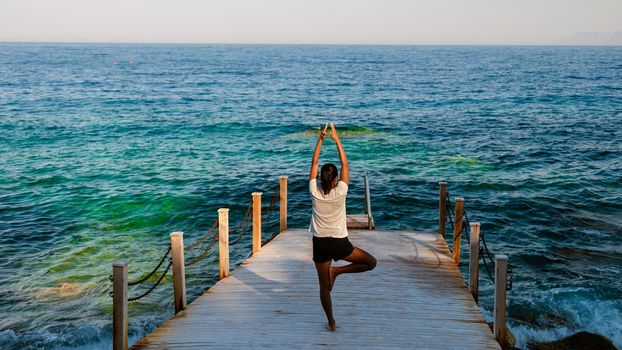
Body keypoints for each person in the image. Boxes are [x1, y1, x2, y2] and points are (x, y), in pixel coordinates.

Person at [309, 122, 377, 332]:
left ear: (321, 178)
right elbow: (345, 164)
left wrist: (320, 140)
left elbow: (313, 163)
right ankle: (337, 272)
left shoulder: (314, 190)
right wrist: (337, 139)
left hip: (320, 243)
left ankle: (331, 322)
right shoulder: (342, 191)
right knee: (371, 263)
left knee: (323, 287)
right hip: (339, 243)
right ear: (336, 179)